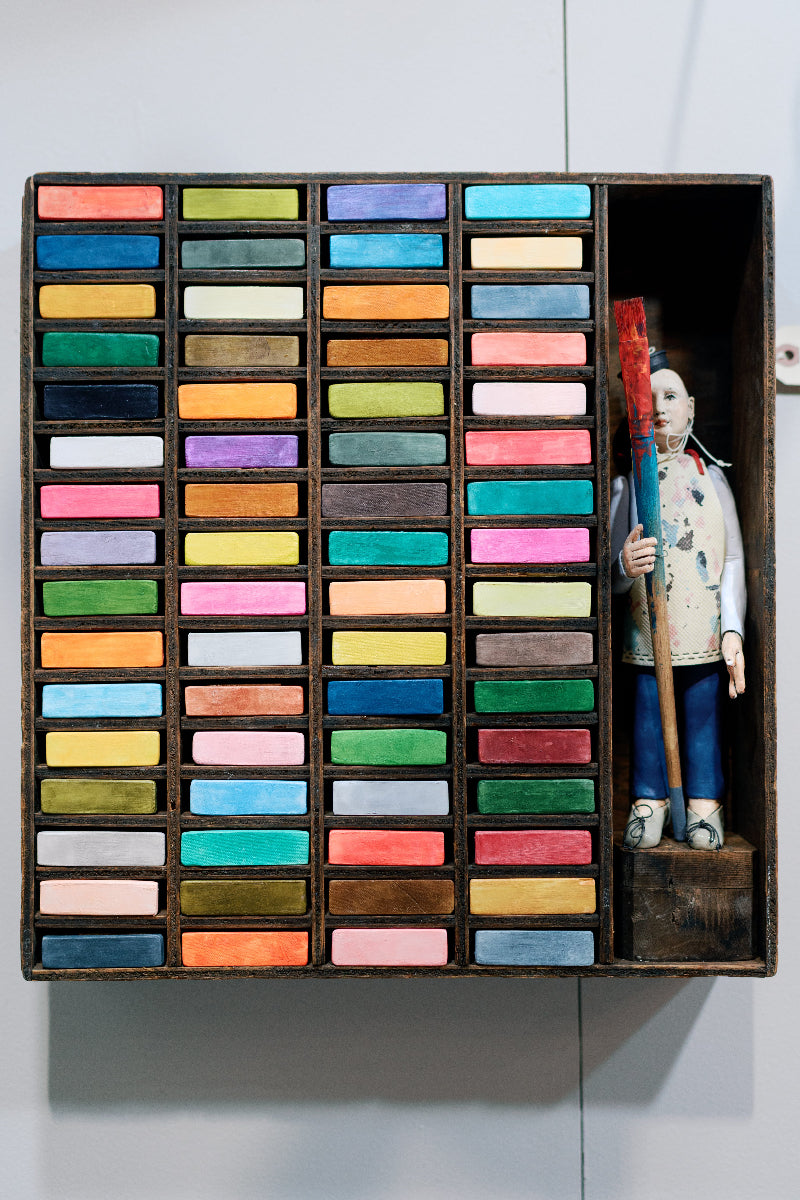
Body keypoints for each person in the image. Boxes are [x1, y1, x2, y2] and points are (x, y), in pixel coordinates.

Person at [610, 349, 746, 850]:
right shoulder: (627, 488)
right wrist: (624, 565)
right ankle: (650, 799)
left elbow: (732, 561)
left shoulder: (712, 482)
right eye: (649, 399)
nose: (661, 407)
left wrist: (733, 629)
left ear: (691, 407)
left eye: (671, 396)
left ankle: (704, 803)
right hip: (648, 636)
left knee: (704, 719)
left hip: (703, 636)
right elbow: (610, 571)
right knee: (647, 718)